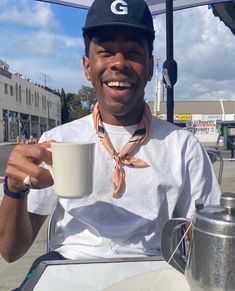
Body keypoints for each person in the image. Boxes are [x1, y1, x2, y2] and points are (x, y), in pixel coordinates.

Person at [0, 0, 221, 289]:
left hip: (154, 276)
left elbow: (206, 242)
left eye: (132, 53)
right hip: (68, 273)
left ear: (151, 67)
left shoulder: (182, 146)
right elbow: (10, 251)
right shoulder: (58, 142)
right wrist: (14, 190)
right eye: (105, 52)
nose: (118, 62)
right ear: (87, 66)